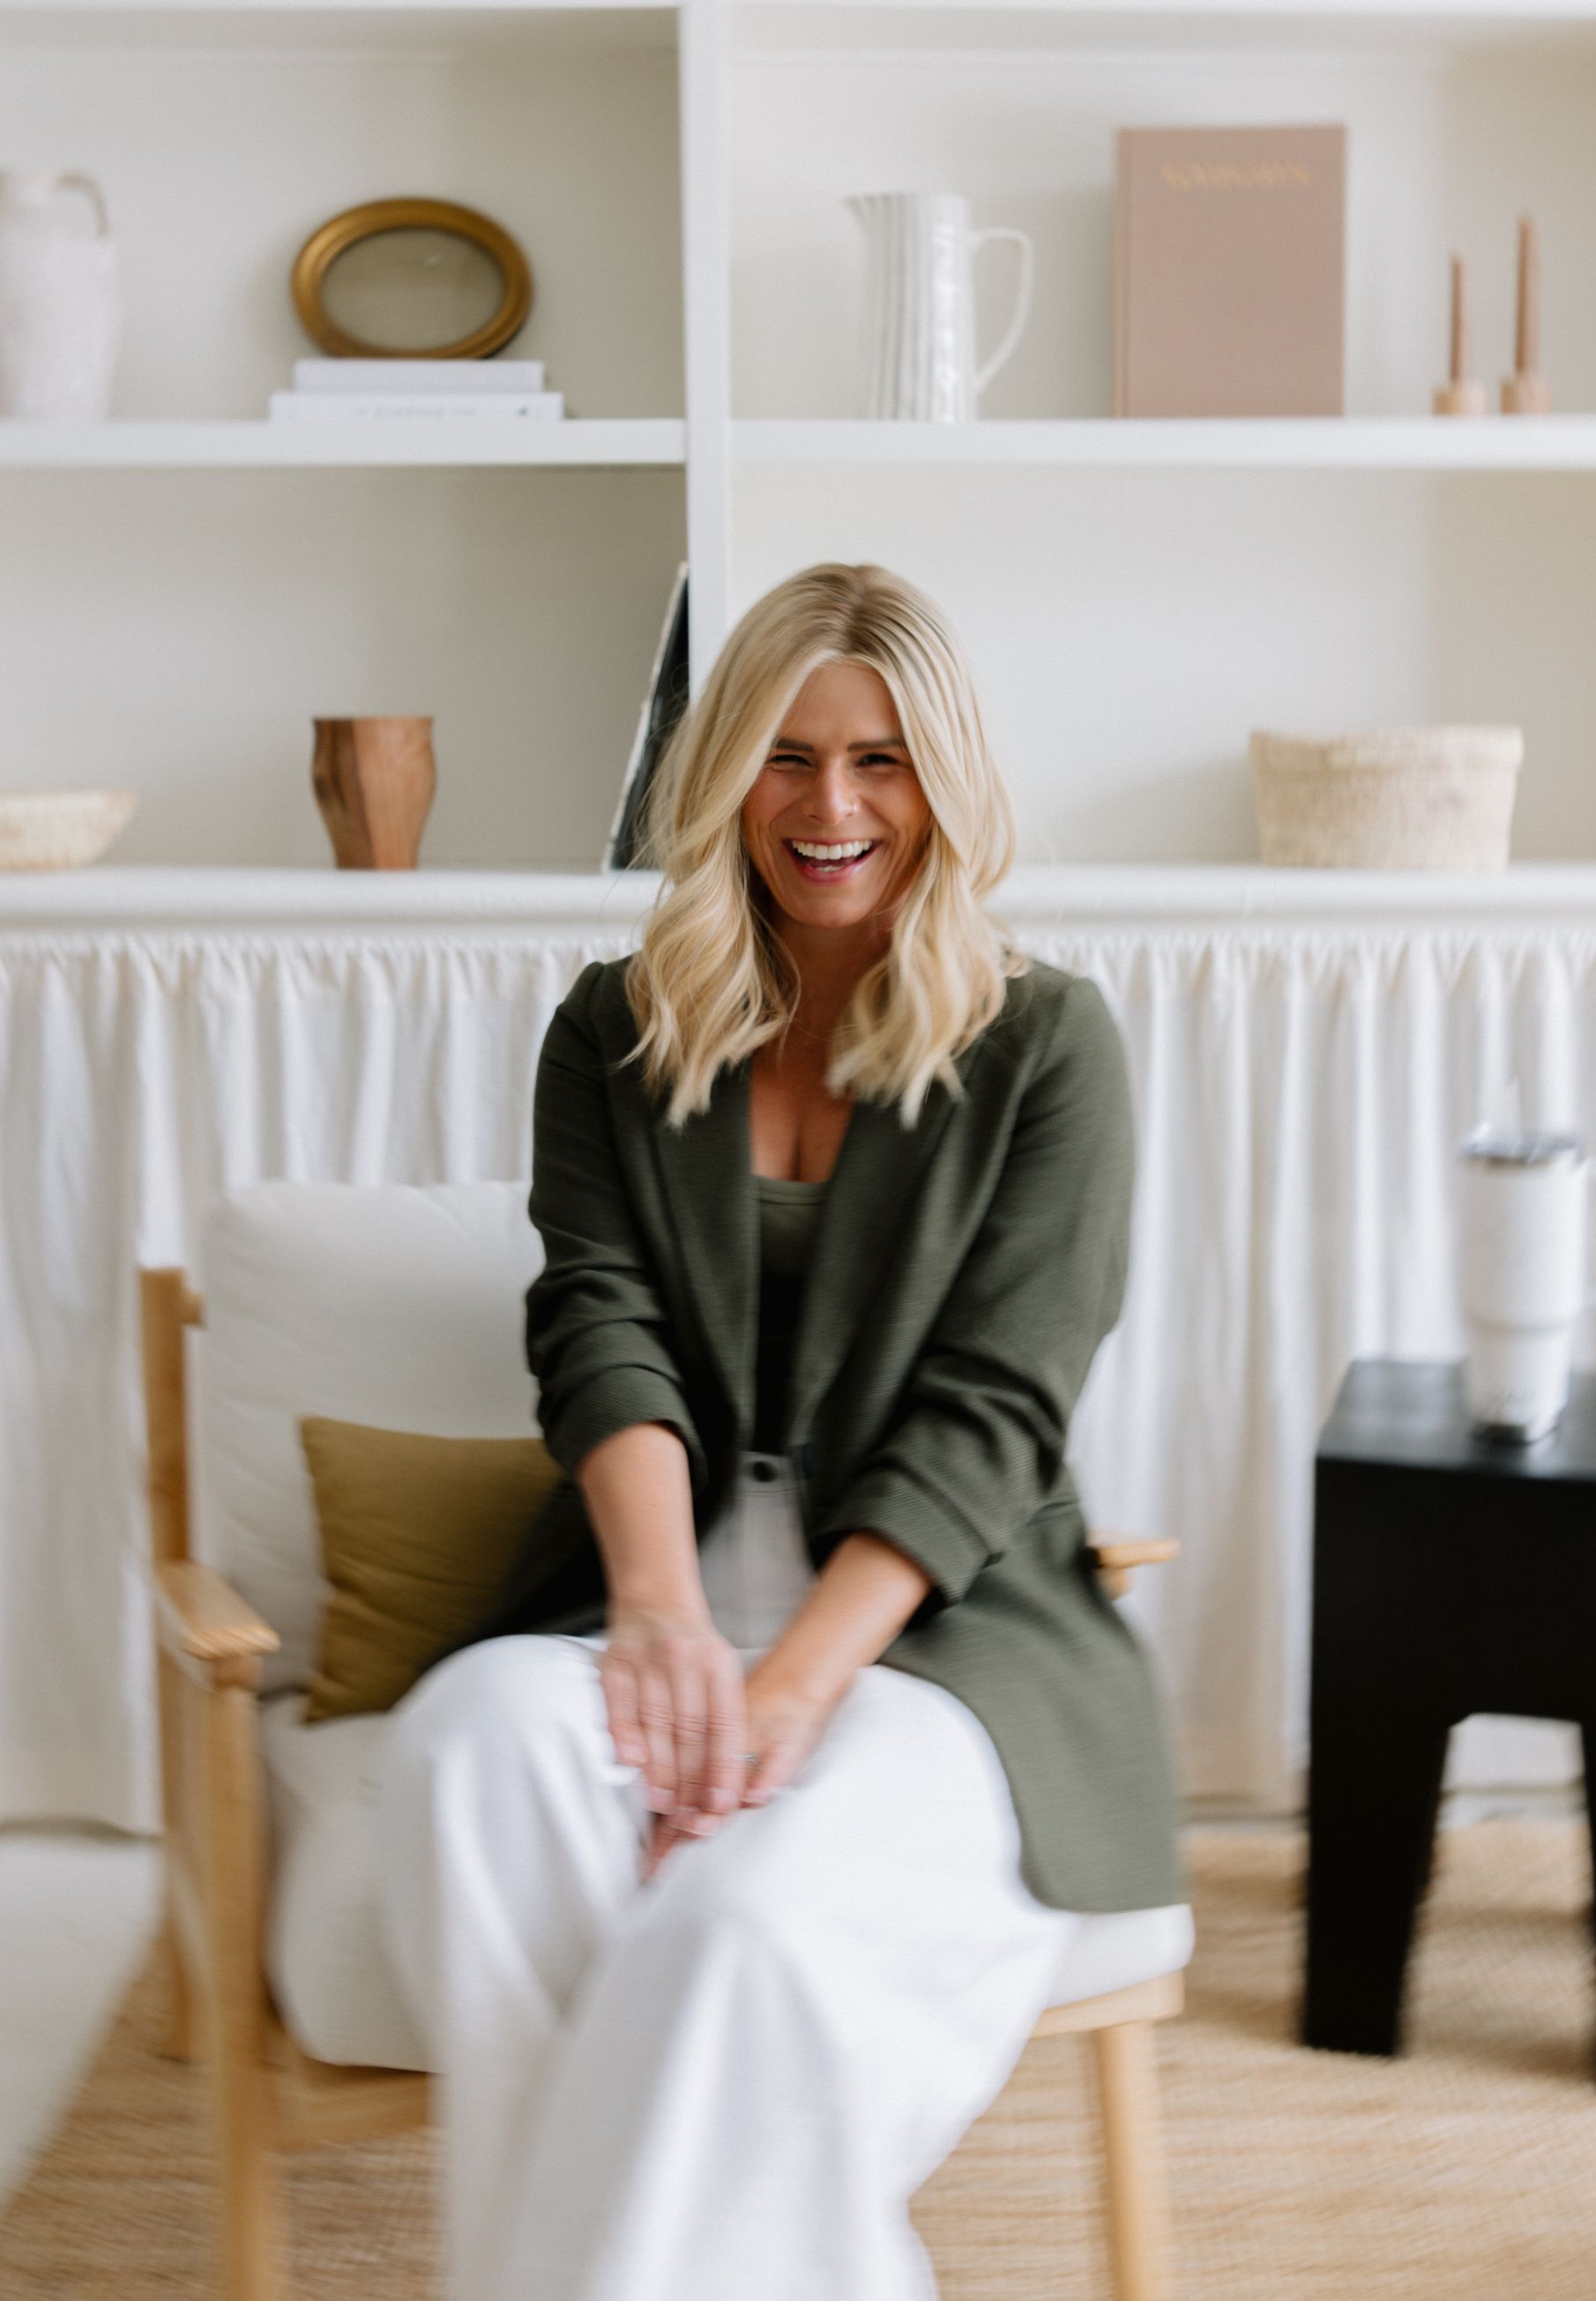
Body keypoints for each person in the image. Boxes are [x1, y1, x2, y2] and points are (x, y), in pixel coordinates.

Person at [371, 562, 1185, 2301]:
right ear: (725, 770)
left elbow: (995, 1407)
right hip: (647, 1599)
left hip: (930, 1646)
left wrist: (793, 1691)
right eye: (789, 758)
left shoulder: (1052, 1045)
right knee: (470, 1755)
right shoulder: (617, 1024)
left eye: (881, 760)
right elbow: (600, 1322)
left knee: (737, 1927)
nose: (830, 808)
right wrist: (659, 1611)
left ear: (944, 781)